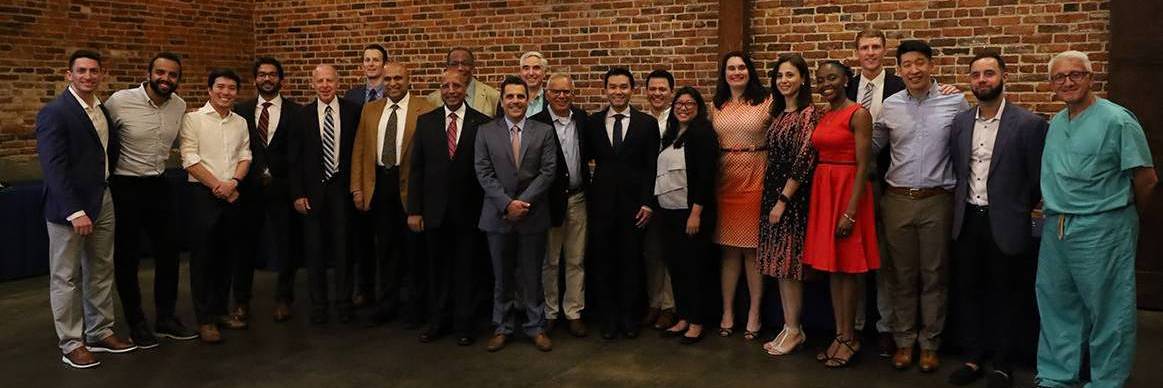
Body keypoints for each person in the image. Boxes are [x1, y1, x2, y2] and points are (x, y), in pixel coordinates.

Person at [1035, 50, 1156, 388]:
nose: (1068, 82)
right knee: (1057, 306)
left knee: (1109, 311)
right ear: (1052, 84)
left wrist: (1123, 219)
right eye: (1059, 77)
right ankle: (1057, 376)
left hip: (1103, 226)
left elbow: (1146, 179)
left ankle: (1107, 380)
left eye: (1076, 74)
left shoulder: (1117, 120)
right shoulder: (1057, 123)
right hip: (1056, 228)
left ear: (1090, 78)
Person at [947, 52, 1048, 388]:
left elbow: (1036, 180)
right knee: (970, 291)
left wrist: (1016, 208)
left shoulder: (1029, 124)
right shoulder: (960, 123)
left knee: (1006, 294)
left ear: (1004, 76)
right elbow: (958, 169)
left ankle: (1003, 364)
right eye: (975, 75)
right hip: (967, 220)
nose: (982, 80)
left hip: (1005, 221)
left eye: (989, 73)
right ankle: (974, 357)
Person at [872, 40, 970, 372]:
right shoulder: (890, 105)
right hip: (897, 199)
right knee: (900, 275)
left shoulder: (954, 102)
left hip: (936, 201)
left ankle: (930, 344)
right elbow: (871, 147)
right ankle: (904, 342)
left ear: (931, 65)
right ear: (898, 70)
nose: (914, 70)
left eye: (920, 63)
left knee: (934, 275)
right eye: (907, 65)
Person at [37, 49, 136, 368]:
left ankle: (99, 331)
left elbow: (107, 151)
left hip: (103, 199)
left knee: (101, 268)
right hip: (69, 207)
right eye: (81, 71)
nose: (88, 76)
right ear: (69, 75)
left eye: (94, 71)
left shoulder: (101, 110)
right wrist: (74, 210)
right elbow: (54, 167)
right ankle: (70, 342)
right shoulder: (56, 112)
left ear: (101, 74)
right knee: (66, 275)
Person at [104, 52, 198, 347]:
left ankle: (166, 318)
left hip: (159, 184)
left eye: (172, 75)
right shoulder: (120, 101)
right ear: (149, 73)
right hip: (124, 186)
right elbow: (100, 137)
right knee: (127, 258)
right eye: (160, 72)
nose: (165, 79)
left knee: (169, 254)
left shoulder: (179, 106)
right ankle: (136, 323)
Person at [803, 60, 880, 368]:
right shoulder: (825, 114)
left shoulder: (858, 113)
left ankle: (850, 337)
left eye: (832, 77)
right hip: (825, 191)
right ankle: (840, 334)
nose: (826, 83)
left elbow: (864, 165)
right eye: (821, 79)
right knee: (833, 269)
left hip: (848, 193)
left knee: (848, 270)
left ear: (846, 79)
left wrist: (850, 211)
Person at [408, 68, 491, 345]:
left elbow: (487, 171)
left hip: (470, 212)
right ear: (440, 90)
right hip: (434, 212)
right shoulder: (426, 122)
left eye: (456, 85)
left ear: (465, 88)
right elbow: (416, 169)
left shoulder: (483, 123)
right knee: (438, 270)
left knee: (467, 271)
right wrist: (414, 210)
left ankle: (464, 325)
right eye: (445, 86)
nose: (451, 90)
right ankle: (438, 322)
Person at [475, 75, 558, 352]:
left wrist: (521, 203)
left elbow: (548, 172)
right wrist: (506, 204)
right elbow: (483, 172)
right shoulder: (486, 131)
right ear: (502, 100)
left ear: (528, 100)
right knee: (502, 276)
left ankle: (536, 327)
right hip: (497, 215)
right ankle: (502, 326)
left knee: (533, 275)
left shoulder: (543, 131)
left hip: (532, 215)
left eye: (520, 96)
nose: (515, 101)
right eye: (509, 96)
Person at [351, 62, 437, 327]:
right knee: (385, 249)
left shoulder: (425, 108)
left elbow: (431, 158)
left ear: (409, 80)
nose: (392, 83)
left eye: (398, 78)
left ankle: (415, 307)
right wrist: (357, 188)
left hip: (411, 187)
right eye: (387, 79)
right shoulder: (370, 109)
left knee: (414, 252)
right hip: (380, 186)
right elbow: (360, 150)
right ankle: (387, 304)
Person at [584, 67, 660, 341]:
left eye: (623, 87)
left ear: (632, 90)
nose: (618, 92)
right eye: (613, 87)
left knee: (631, 261)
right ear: (605, 90)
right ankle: (608, 319)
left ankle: (629, 318)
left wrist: (648, 203)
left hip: (634, 206)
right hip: (601, 204)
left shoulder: (646, 124)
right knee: (603, 262)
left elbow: (652, 167)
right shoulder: (592, 123)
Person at [179, 68, 252, 344]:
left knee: (227, 257)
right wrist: (217, 186)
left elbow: (245, 155)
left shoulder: (240, 122)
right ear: (210, 90)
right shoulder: (193, 120)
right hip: (203, 195)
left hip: (232, 193)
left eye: (231, 88)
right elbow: (189, 158)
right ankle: (205, 319)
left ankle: (221, 310)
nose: (225, 92)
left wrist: (233, 182)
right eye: (220, 87)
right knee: (203, 259)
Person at [232, 56, 304, 325]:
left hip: (283, 190)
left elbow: (298, 155)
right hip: (247, 189)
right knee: (244, 247)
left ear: (281, 80)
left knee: (287, 246)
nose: (267, 79)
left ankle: (284, 299)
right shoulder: (240, 111)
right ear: (255, 79)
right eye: (262, 74)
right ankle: (241, 302)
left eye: (273, 74)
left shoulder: (296, 112)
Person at [756, 53, 818, 356]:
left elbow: (804, 161)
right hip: (772, 195)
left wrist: (782, 200)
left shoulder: (808, 114)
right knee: (779, 267)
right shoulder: (779, 114)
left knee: (790, 266)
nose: (784, 80)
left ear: (803, 79)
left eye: (790, 75)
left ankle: (795, 329)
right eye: (780, 75)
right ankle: (789, 325)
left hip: (791, 200)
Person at [289, 64, 360, 325]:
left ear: (338, 82)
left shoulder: (353, 112)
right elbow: (294, 160)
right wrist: (297, 194)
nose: (325, 85)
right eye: (320, 81)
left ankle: (344, 303)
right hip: (312, 194)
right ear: (313, 83)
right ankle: (319, 305)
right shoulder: (302, 116)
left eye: (330, 80)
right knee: (314, 251)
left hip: (342, 191)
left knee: (344, 250)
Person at [711, 51, 772, 341]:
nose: (736, 72)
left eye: (741, 67)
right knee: (728, 251)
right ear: (724, 74)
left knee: (752, 251)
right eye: (731, 68)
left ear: (750, 71)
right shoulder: (716, 105)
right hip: (724, 181)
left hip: (756, 176)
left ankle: (755, 313)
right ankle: (726, 311)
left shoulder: (766, 101)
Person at [655, 86, 719, 345]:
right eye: (679, 103)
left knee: (695, 269)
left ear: (698, 107)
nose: (683, 107)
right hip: (668, 212)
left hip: (691, 213)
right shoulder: (671, 134)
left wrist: (696, 213)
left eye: (690, 103)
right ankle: (683, 316)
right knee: (677, 267)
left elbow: (705, 177)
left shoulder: (702, 134)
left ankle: (697, 321)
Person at [530, 73, 590, 337]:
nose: (562, 96)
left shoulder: (583, 119)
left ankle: (574, 312)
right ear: (547, 94)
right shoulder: (536, 123)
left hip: (578, 198)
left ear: (572, 94)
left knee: (576, 259)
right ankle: (550, 312)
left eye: (567, 92)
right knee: (550, 260)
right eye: (556, 92)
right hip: (550, 202)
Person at [344, 44, 389, 308]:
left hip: (386, 173)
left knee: (386, 237)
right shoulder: (352, 96)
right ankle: (365, 287)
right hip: (361, 173)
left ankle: (388, 289)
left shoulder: (394, 93)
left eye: (376, 60)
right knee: (361, 237)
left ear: (385, 64)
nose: (371, 64)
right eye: (367, 60)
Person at [641, 69, 677, 330]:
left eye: (662, 89)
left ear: (671, 92)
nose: (657, 93)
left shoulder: (676, 121)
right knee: (651, 252)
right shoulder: (641, 121)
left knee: (669, 252)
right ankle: (654, 302)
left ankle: (669, 305)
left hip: (672, 193)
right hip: (646, 194)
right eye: (652, 89)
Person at [426, 47, 500, 117]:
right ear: (447, 67)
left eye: (465, 64)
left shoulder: (493, 96)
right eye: (454, 64)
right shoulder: (433, 99)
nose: (460, 68)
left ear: (473, 66)